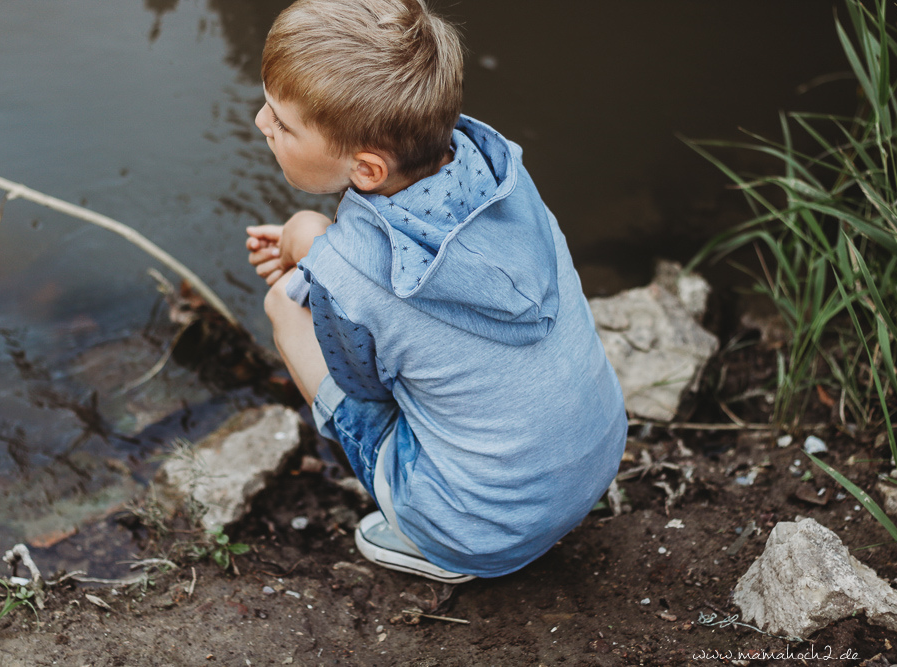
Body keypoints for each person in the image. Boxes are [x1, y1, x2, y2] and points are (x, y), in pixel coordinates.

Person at [246, 0, 626, 583]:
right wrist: (323, 250)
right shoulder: (504, 172)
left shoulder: (350, 271)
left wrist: (315, 247)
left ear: (368, 170)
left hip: (482, 528)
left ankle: (430, 541)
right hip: (596, 457)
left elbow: (365, 389)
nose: (258, 123)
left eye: (281, 122)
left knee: (283, 307)